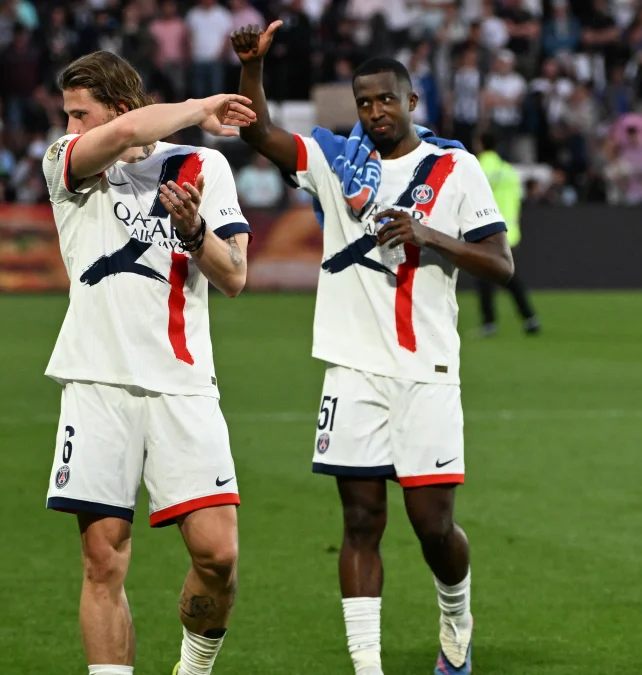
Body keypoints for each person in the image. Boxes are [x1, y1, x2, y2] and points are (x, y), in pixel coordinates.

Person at [233, 22, 514, 675]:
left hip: (426, 369)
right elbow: (260, 132)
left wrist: (430, 236)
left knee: (432, 525)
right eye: (364, 102)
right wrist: (254, 68)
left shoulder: (453, 169)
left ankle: (456, 617)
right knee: (360, 521)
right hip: (352, 369)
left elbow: (501, 264)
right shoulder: (336, 162)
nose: (376, 111)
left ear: (412, 101)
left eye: (387, 99)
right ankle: (368, 666)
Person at [40, 51, 256, 675]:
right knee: (102, 562)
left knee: (218, 556)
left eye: (81, 113)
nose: (71, 127)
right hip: (97, 383)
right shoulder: (67, 162)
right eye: (68, 114)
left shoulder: (204, 166)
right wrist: (202, 106)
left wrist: (194, 232)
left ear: (118, 105)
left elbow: (235, 276)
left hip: (183, 385)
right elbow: (130, 133)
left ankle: (193, 668)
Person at [475, 130, 540, 336]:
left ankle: (489, 323)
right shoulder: (509, 170)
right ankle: (529, 318)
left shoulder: (478, 166)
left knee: (486, 278)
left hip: (489, 232)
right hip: (510, 232)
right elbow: (517, 200)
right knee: (507, 277)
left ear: (480, 144)